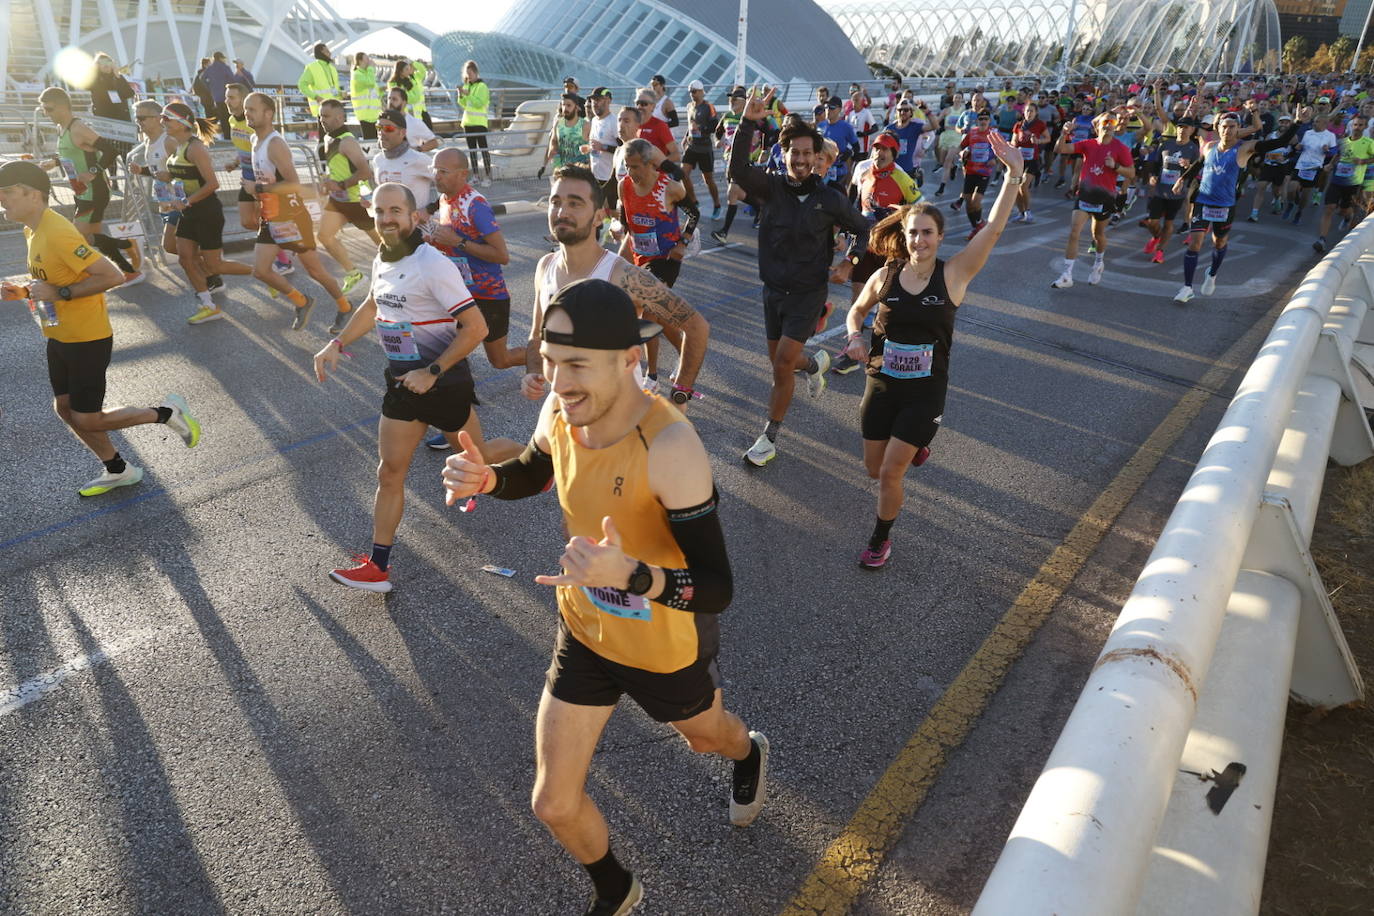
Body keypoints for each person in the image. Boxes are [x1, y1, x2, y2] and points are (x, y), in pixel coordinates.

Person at [439, 278, 767, 916]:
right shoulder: (562, 409)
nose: (558, 382)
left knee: (708, 740)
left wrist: (634, 576)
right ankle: (617, 889)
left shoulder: (670, 447)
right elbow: (536, 469)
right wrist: (489, 477)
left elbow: (718, 587)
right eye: (553, 363)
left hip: (664, 646)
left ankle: (748, 749)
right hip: (585, 632)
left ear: (629, 359)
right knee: (553, 802)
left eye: (577, 364)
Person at [313, 183, 519, 592]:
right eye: (379, 211)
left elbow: (476, 327)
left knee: (474, 461)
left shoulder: (432, 264)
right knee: (389, 472)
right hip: (402, 383)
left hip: (443, 383)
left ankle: (537, 458)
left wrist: (433, 371)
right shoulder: (382, 258)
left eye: (395, 211)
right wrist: (336, 343)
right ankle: (378, 566)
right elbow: (373, 304)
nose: (386, 218)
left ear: (413, 217)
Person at [0, 160, 200, 496]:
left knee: (88, 419)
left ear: (32, 194)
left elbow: (111, 275)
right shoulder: (32, 230)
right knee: (65, 409)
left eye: (5, 193)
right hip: (58, 334)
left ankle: (168, 413)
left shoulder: (58, 231)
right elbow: (55, 278)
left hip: (86, 337)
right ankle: (119, 470)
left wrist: (61, 293)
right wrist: (24, 291)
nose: (1, 200)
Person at [727, 89, 870, 467]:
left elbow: (863, 230)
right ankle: (815, 364)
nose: (803, 159)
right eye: (796, 152)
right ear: (785, 154)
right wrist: (748, 122)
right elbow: (737, 171)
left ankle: (769, 437)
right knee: (784, 362)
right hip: (772, 292)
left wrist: (848, 262)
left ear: (818, 157)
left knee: (779, 365)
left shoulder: (831, 198)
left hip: (808, 293)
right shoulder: (770, 188)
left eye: (809, 153)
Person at [522, 165, 710, 412]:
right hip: (567, 414)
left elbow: (696, 326)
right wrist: (533, 371)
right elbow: (537, 335)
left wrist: (680, 393)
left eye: (575, 203)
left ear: (600, 216)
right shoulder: (545, 266)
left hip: (620, 423)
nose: (562, 211)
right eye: (556, 202)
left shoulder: (623, 275)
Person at [244, 90, 352, 332]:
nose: (247, 113)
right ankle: (302, 301)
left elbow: (293, 183)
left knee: (315, 270)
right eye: (246, 109)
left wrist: (259, 187)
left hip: (291, 216)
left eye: (252, 109)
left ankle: (345, 306)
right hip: (270, 215)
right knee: (260, 271)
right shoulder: (254, 141)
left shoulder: (275, 144)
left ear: (268, 113)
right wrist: (257, 196)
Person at [1172, 113, 1296, 303]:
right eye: (1224, 126)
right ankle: (1187, 287)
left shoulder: (1245, 148)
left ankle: (1212, 273)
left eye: (1232, 127)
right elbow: (1199, 164)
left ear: (1237, 129)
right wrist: (1182, 179)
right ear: (1218, 128)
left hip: (1225, 205)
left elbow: (1280, 142)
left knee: (1219, 243)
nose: (1227, 130)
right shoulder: (1210, 146)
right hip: (1203, 201)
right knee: (1194, 242)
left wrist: (1298, 123)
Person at [426, 148, 526, 374]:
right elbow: (452, 243)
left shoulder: (476, 205)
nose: (436, 176)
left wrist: (457, 241)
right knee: (447, 350)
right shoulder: (444, 199)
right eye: (434, 170)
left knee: (500, 360)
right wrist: (434, 241)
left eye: (443, 171)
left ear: (463, 174)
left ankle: (547, 357)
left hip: (488, 295)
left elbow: (502, 256)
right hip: (461, 292)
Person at [160, 102, 254, 323]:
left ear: (183, 122)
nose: (163, 122)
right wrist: (160, 177)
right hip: (189, 211)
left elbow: (212, 184)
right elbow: (181, 177)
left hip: (207, 212)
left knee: (214, 266)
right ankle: (208, 305)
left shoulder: (196, 148)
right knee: (185, 258)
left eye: (167, 118)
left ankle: (263, 273)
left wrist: (187, 201)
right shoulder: (177, 147)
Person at [36, 87, 139, 282]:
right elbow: (70, 153)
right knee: (95, 237)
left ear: (63, 107)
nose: (46, 114)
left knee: (77, 239)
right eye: (43, 110)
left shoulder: (78, 127)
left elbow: (111, 151)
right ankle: (130, 271)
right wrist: (54, 162)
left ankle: (125, 244)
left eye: (48, 109)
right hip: (81, 191)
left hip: (94, 191)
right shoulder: (62, 128)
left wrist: (93, 172)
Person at [1050, 110, 1135, 289]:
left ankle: (1098, 263)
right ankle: (1067, 275)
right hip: (1085, 195)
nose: (1110, 125)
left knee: (1098, 235)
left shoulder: (1121, 148)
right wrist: (1064, 133)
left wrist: (1116, 166)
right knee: (1074, 231)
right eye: (1105, 122)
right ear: (1097, 126)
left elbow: (1132, 173)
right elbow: (1061, 149)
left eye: (1112, 122)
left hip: (1105, 198)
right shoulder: (1088, 144)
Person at [226, 83, 294, 278]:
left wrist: (259, 185)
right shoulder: (233, 121)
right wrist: (236, 161)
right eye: (226, 97)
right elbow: (249, 149)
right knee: (247, 221)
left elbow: (265, 151)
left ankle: (282, 256)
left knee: (264, 223)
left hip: (261, 181)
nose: (227, 101)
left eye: (232, 97)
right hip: (247, 179)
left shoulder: (258, 128)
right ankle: (283, 241)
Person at [317, 98, 380, 294]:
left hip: (356, 201)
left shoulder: (347, 141)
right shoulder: (328, 139)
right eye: (320, 116)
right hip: (339, 201)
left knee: (385, 244)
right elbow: (339, 169)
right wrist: (328, 181)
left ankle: (406, 269)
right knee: (324, 236)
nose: (322, 120)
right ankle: (354, 274)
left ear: (340, 117)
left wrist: (341, 185)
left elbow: (365, 172)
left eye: (326, 116)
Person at [1142, 118, 1199, 265]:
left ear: (1191, 130)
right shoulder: (1166, 144)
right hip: (1160, 191)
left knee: (1168, 223)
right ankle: (1156, 237)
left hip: (1176, 194)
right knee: (1152, 222)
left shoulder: (1193, 149)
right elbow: (1156, 164)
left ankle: (1160, 252)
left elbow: (1196, 172)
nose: (1182, 130)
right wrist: (1153, 176)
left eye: (1186, 127)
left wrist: (1188, 166)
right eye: (1180, 127)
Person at [1314, 114, 1374, 253]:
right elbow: (1338, 155)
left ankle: (1347, 217)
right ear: (1351, 126)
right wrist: (1330, 165)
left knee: (1343, 210)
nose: (1357, 127)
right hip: (1336, 180)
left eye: (1360, 125)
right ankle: (1322, 239)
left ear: (1365, 127)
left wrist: (1363, 161)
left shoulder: (1369, 143)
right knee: (1329, 207)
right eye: (1355, 124)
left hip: (1353, 184)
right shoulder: (1343, 141)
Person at [372, 109, 435, 210]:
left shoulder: (419, 159)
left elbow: (451, 186)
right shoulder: (377, 160)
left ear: (402, 132)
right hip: (389, 223)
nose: (381, 133)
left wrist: (430, 210)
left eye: (388, 128)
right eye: (378, 127)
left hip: (417, 224)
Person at [682, 80, 722, 218]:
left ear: (701, 91)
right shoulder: (689, 106)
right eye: (690, 92)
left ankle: (717, 205)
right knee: (683, 174)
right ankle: (694, 202)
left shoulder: (708, 107)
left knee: (708, 180)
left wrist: (702, 129)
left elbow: (715, 126)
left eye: (694, 91)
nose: (692, 94)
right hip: (692, 146)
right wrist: (686, 136)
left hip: (705, 148)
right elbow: (690, 124)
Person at [956, 110, 997, 238]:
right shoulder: (972, 132)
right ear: (977, 121)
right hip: (970, 170)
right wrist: (962, 154)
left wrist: (995, 159)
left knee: (975, 201)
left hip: (984, 172)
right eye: (981, 119)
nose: (983, 121)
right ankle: (976, 227)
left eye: (986, 119)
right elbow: (960, 147)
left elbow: (1002, 149)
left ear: (989, 121)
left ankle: (980, 223)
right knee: (968, 203)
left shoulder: (993, 134)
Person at [1010, 100, 1049, 221]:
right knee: (1015, 187)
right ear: (1024, 112)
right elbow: (1013, 141)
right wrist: (1013, 144)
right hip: (1019, 160)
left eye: (1032, 111)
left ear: (1036, 112)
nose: (1029, 113)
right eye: (1027, 110)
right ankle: (1020, 213)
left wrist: (1038, 141)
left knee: (1023, 186)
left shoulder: (1040, 124)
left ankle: (1028, 212)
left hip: (1032, 160)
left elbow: (1048, 138)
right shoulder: (1018, 125)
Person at [458, 59, 494, 184]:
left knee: (483, 149)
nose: (469, 76)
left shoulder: (482, 86)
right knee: (472, 151)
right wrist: (461, 95)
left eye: (471, 73)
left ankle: (488, 176)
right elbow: (463, 104)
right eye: (467, 74)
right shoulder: (467, 85)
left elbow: (479, 103)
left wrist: (467, 94)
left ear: (476, 73)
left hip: (479, 123)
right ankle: (476, 176)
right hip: (468, 123)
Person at [586, 87, 620, 214]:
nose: (594, 103)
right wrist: (589, 148)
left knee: (613, 212)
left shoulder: (614, 122)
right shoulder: (594, 120)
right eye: (593, 100)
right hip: (596, 175)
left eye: (598, 99)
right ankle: (600, 232)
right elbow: (596, 145)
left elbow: (624, 149)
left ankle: (617, 232)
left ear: (608, 101)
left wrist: (604, 147)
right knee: (597, 211)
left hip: (610, 177)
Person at [542, 93, 590, 176]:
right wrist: (552, 152)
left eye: (569, 105)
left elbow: (593, 147)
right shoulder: (558, 123)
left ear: (577, 107)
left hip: (580, 172)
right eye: (563, 105)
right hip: (561, 170)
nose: (565, 108)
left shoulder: (585, 125)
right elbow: (553, 141)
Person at [385, 87, 438, 152]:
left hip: (409, 161)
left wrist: (417, 150)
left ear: (404, 103)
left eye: (394, 99)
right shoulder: (383, 121)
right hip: (389, 160)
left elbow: (434, 142)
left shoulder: (414, 122)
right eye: (389, 98)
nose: (390, 102)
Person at [297, 43, 341, 119]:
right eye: (327, 51)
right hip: (322, 111)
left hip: (334, 110)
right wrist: (316, 97)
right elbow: (301, 85)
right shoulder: (312, 67)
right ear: (321, 53)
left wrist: (341, 94)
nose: (330, 53)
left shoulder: (332, 68)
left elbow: (334, 90)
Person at [89, 53, 135, 121]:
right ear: (98, 65)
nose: (106, 65)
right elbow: (96, 90)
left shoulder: (117, 77)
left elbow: (129, 93)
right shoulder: (94, 79)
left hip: (121, 117)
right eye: (103, 63)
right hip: (104, 117)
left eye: (108, 62)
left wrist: (118, 76)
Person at [350, 52, 383, 141]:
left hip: (375, 115)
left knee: (378, 141)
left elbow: (375, 94)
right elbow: (370, 83)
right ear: (360, 61)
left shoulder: (368, 74)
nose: (369, 61)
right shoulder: (357, 74)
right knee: (370, 142)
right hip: (365, 115)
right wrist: (371, 68)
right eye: (366, 59)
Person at [202, 51, 235, 139]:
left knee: (222, 117)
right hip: (227, 96)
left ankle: (226, 136)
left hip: (216, 96)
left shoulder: (209, 68)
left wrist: (210, 87)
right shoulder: (225, 67)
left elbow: (202, 78)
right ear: (220, 58)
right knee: (230, 116)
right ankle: (231, 136)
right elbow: (232, 79)